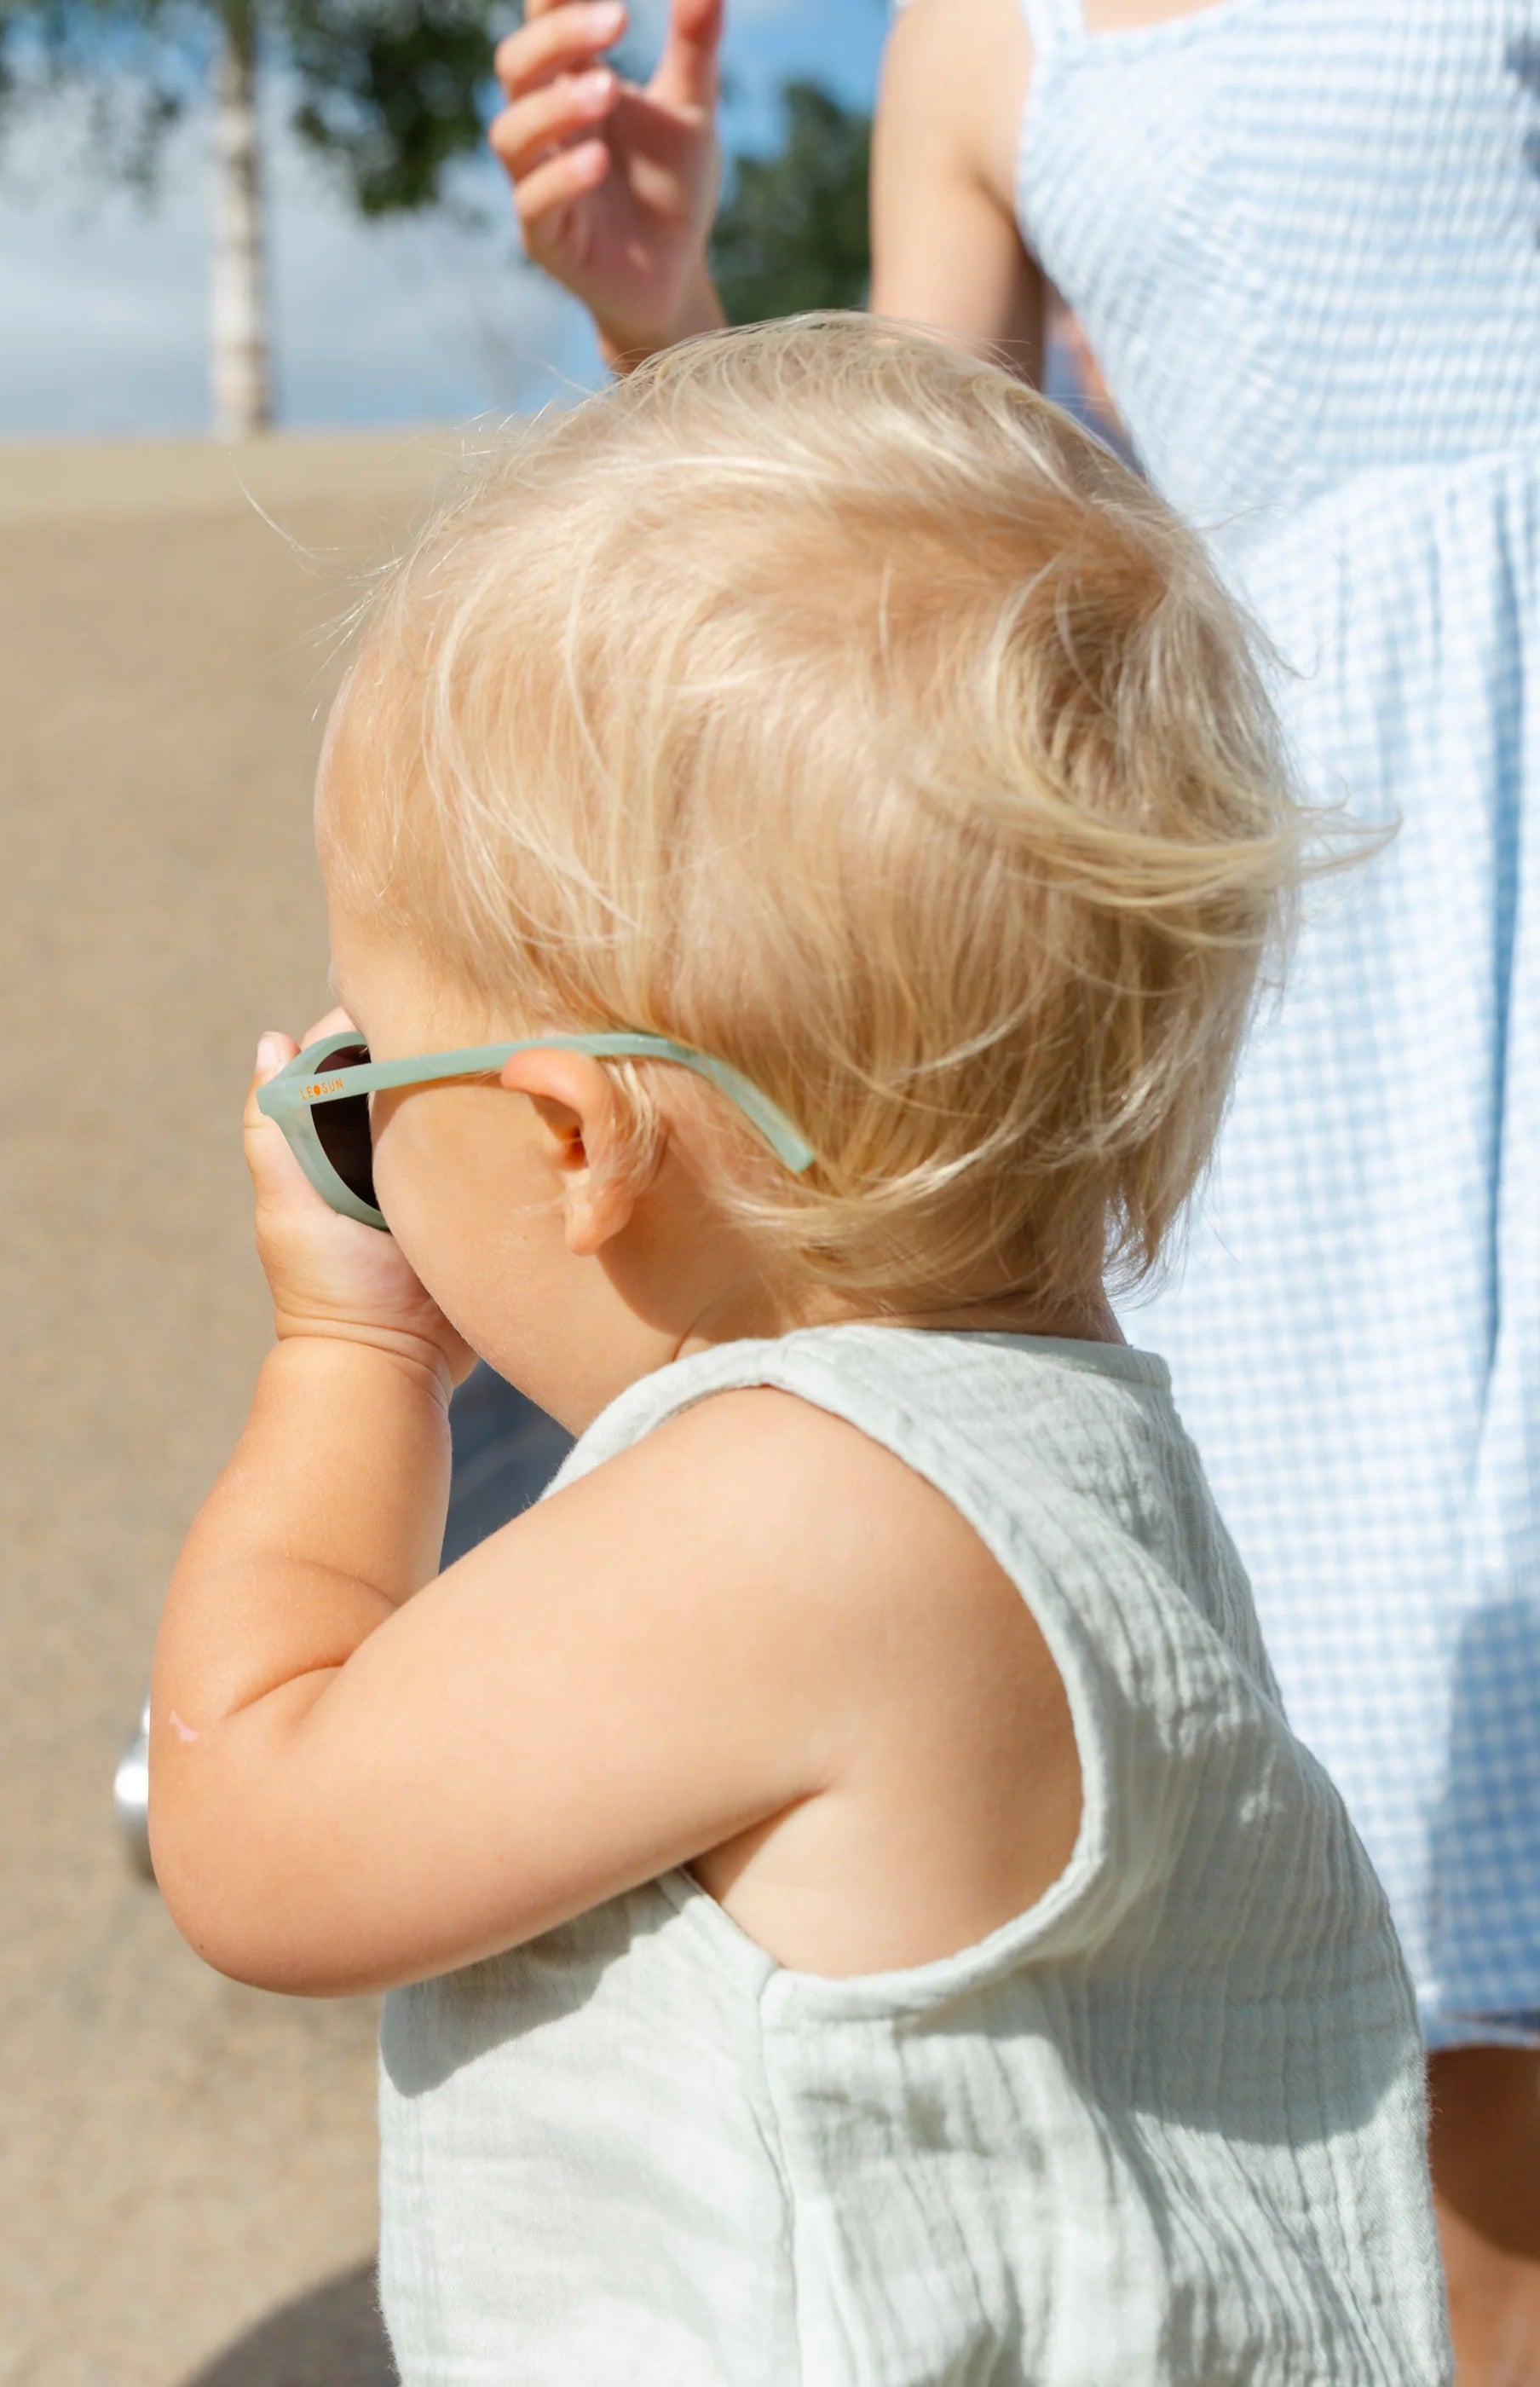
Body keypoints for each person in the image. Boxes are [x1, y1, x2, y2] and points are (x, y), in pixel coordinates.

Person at [150, 319, 1446, 2382]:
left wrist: (343, 1355)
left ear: (572, 1141)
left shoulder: (782, 1511)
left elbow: (250, 1832)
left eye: (367, 1075)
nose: (356, 1127)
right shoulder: (1067, 1453)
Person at [487, 3, 1540, 2372]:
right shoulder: (985, 37)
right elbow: (916, 580)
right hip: (1319, 961)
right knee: (1424, 1962)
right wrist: (661, 329)